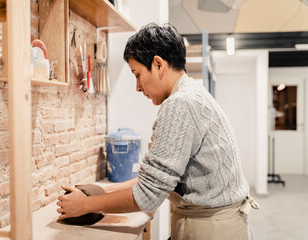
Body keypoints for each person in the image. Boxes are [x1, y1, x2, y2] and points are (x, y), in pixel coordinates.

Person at [57, 23, 259, 240]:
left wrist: (86, 205)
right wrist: (102, 190)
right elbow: (158, 180)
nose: (137, 87)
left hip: (213, 229)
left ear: (158, 64)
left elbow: (148, 195)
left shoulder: (180, 105)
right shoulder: (194, 93)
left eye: (137, 74)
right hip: (224, 223)